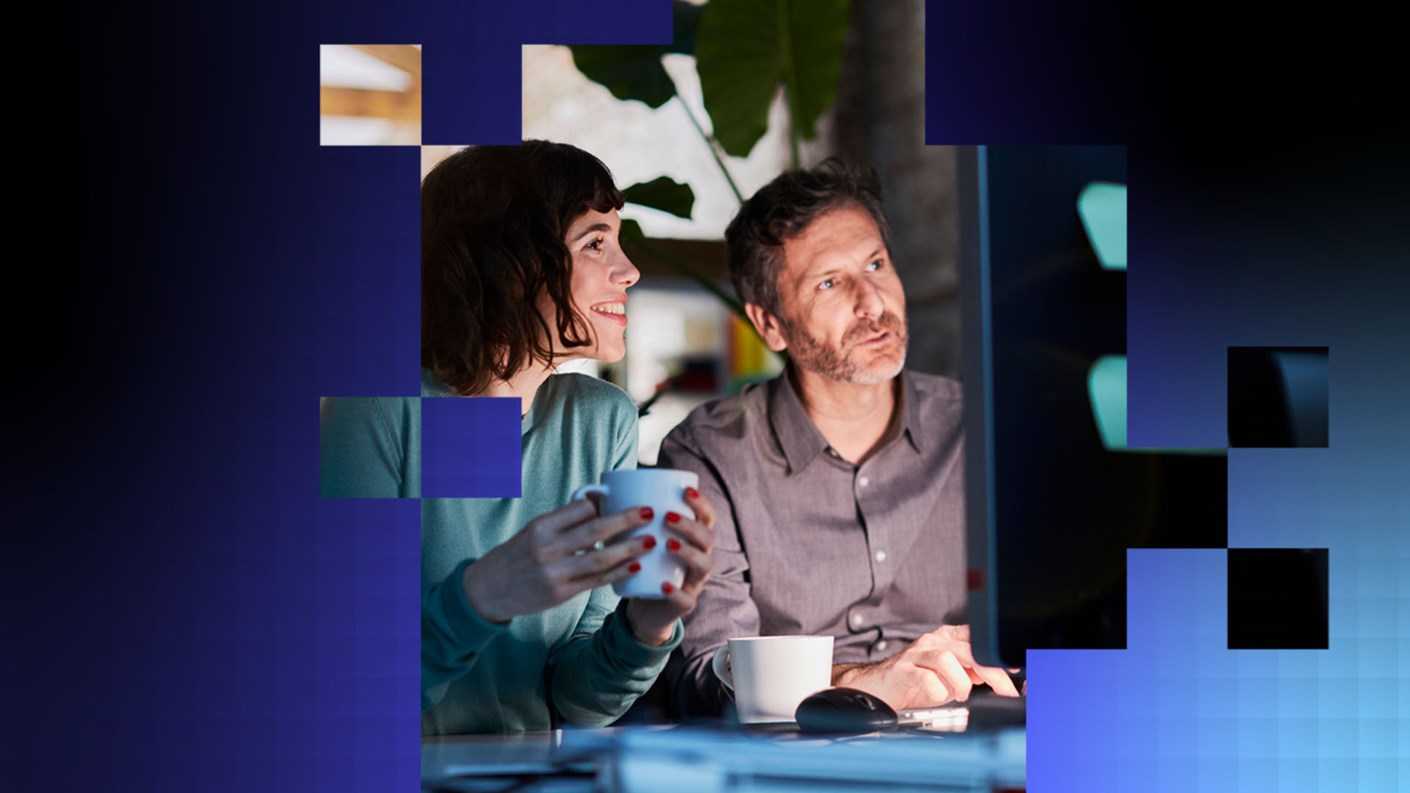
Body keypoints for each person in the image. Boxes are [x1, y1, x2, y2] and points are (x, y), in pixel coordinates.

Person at [320, 141, 717, 734]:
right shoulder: (378, 410)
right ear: (510, 265)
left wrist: (645, 627)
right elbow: (348, 682)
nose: (628, 270)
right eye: (595, 243)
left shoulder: (600, 419)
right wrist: (483, 594)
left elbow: (580, 702)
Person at [656, 160, 1019, 717]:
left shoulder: (983, 427)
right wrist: (869, 683)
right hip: (798, 756)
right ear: (770, 324)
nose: (872, 302)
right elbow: (704, 676)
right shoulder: (709, 455)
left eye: (876, 264)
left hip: (977, 741)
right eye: (829, 282)